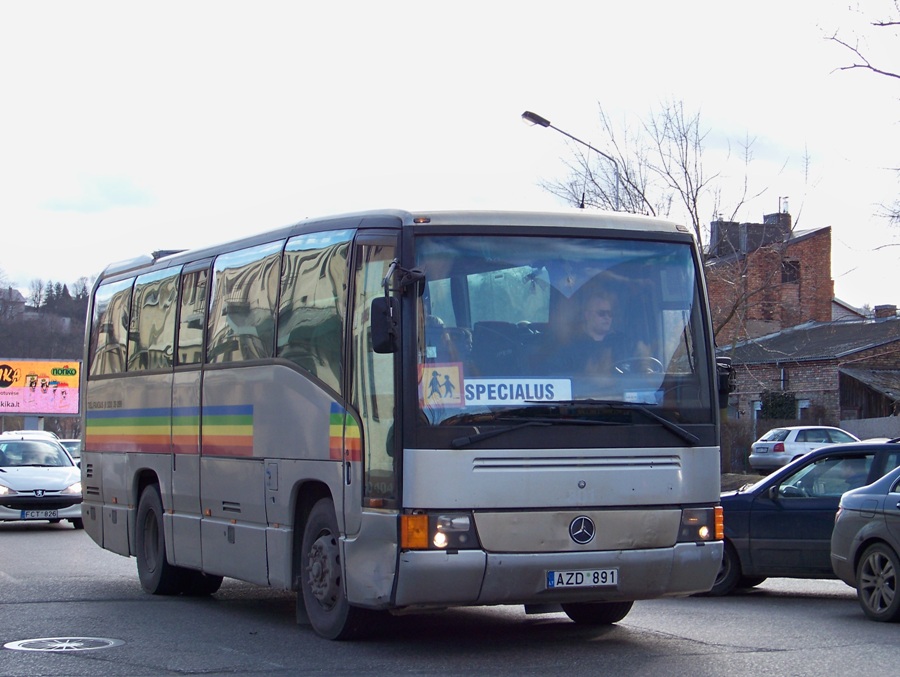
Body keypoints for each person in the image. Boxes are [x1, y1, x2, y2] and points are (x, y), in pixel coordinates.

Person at [550, 290, 648, 375]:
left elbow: (643, 372)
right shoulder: (570, 345)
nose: (607, 317)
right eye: (602, 313)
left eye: (610, 314)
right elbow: (558, 378)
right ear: (587, 315)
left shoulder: (625, 343)